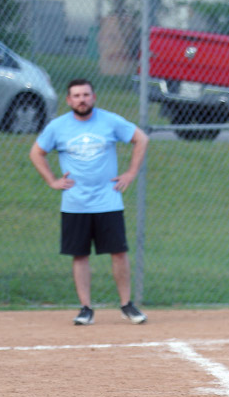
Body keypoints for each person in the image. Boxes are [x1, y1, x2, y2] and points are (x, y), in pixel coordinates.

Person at [29, 78, 149, 326]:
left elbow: (141, 139)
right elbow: (36, 152)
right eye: (76, 95)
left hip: (109, 201)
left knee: (118, 252)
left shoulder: (109, 121)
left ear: (93, 97)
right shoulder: (58, 127)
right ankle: (86, 308)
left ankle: (127, 305)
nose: (81, 99)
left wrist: (130, 173)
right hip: (75, 203)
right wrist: (52, 180)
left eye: (85, 95)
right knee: (80, 255)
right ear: (69, 100)